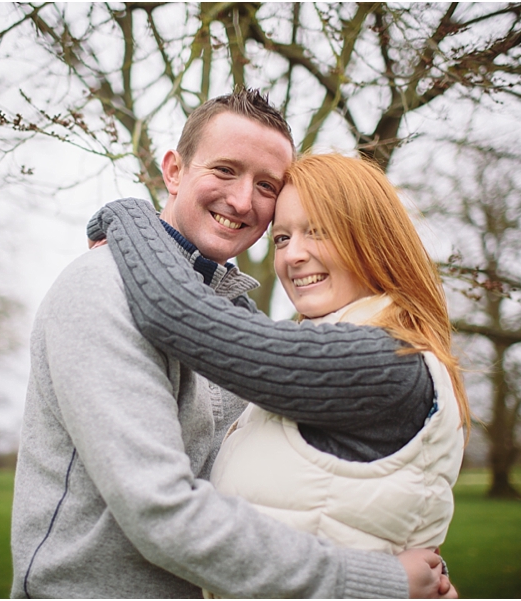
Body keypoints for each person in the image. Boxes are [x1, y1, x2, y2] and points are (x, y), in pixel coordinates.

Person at [11, 88, 455, 598]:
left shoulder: (253, 323)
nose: (243, 200)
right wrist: (379, 580)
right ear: (173, 171)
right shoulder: (103, 288)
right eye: (225, 170)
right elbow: (162, 510)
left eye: (266, 185)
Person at [88, 153, 469, 579]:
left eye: (318, 232)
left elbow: (178, 314)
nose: (294, 256)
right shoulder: (360, 349)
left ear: (374, 239)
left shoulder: (382, 360)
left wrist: (130, 216)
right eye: (282, 238)